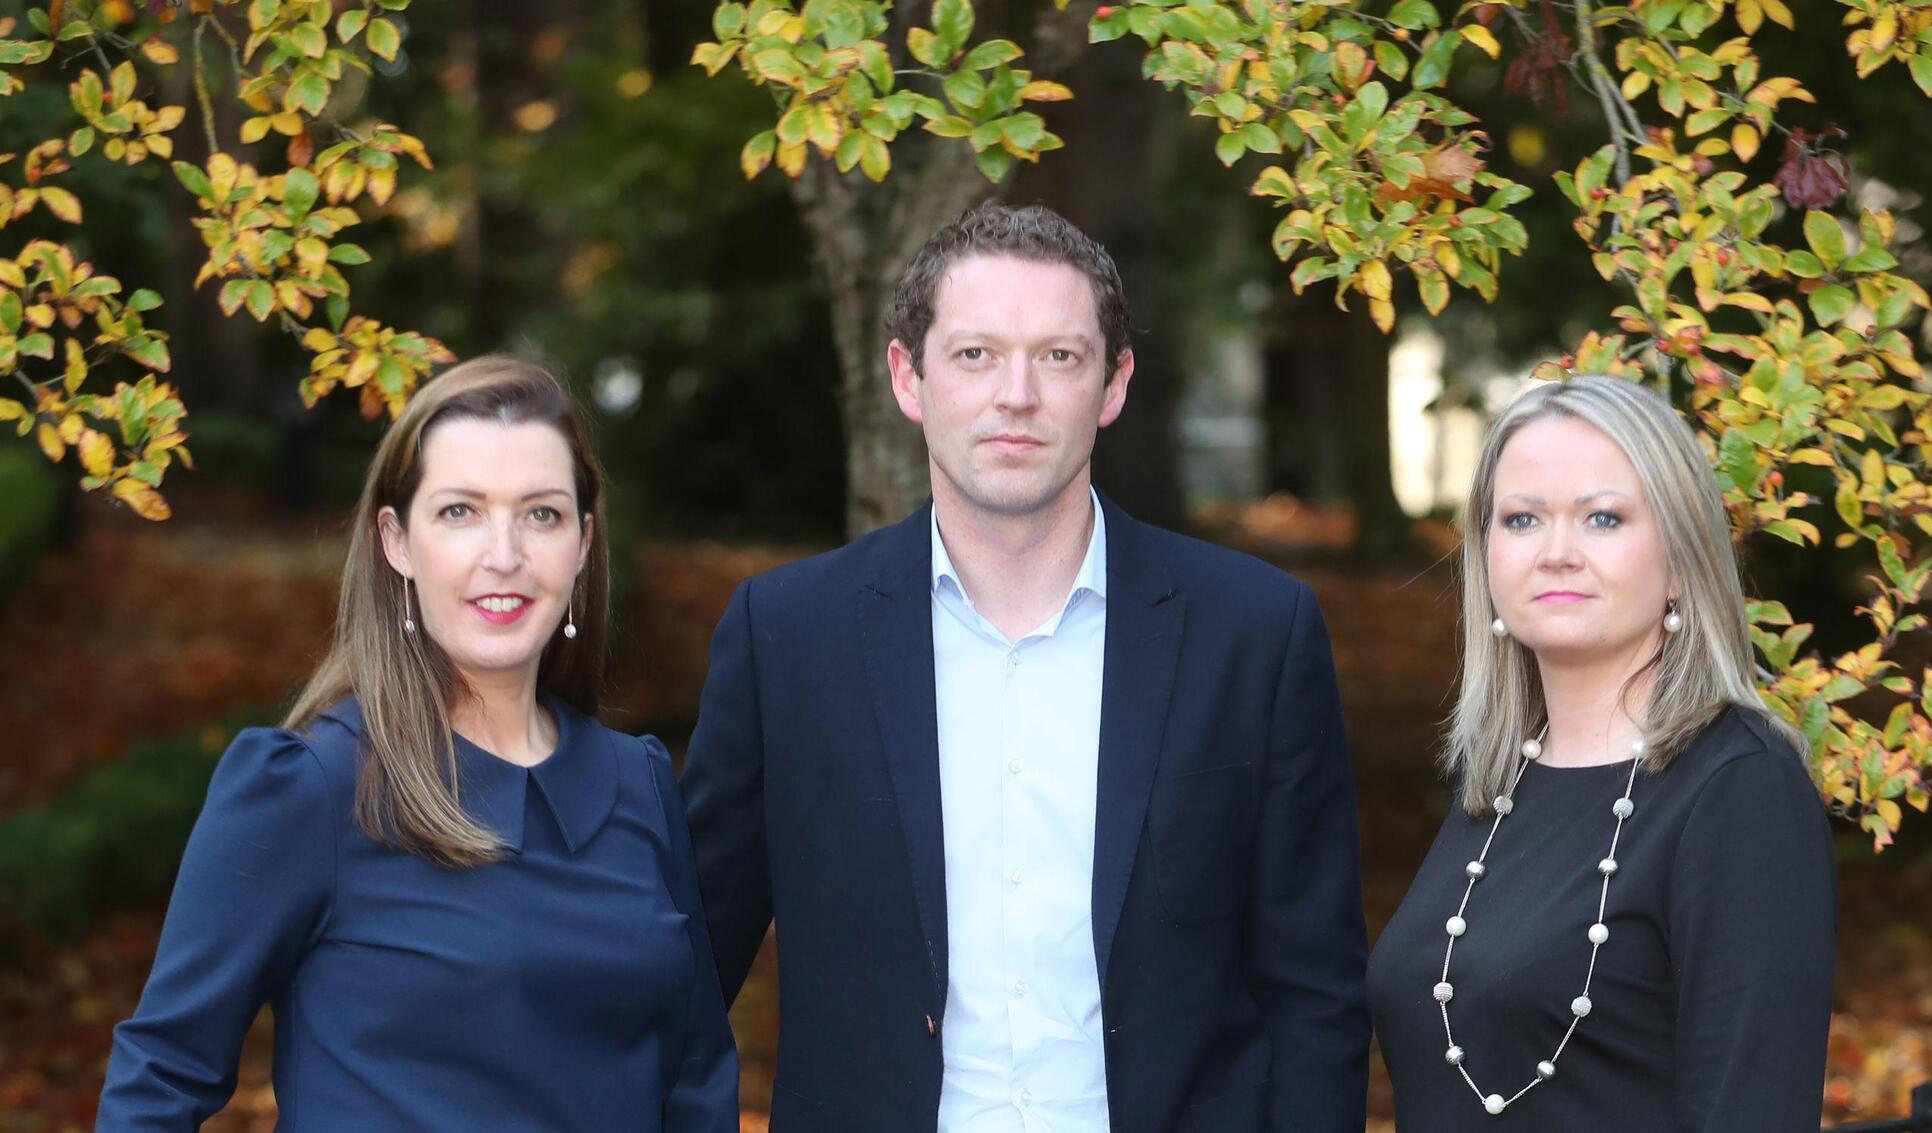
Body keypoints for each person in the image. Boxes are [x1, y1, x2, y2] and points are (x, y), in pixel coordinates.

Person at [680, 202, 1371, 1133]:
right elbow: (687, 974)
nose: (1017, 394)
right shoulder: (787, 638)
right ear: (908, 377)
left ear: (1113, 384)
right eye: (975, 354)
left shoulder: (1254, 633)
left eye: (1058, 355)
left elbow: (1317, 992)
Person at [97, 357, 737, 1131]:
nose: (504, 554)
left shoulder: (640, 783)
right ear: (396, 541)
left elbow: (698, 1083)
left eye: (541, 514)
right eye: (460, 511)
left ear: (583, 542)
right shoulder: (312, 786)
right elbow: (157, 1083)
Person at [1368, 375, 1836, 1130]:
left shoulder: (1741, 786)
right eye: (1522, 519)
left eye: (1603, 518)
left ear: (1681, 561)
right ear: (1486, 556)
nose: (1557, 553)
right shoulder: (1500, 779)